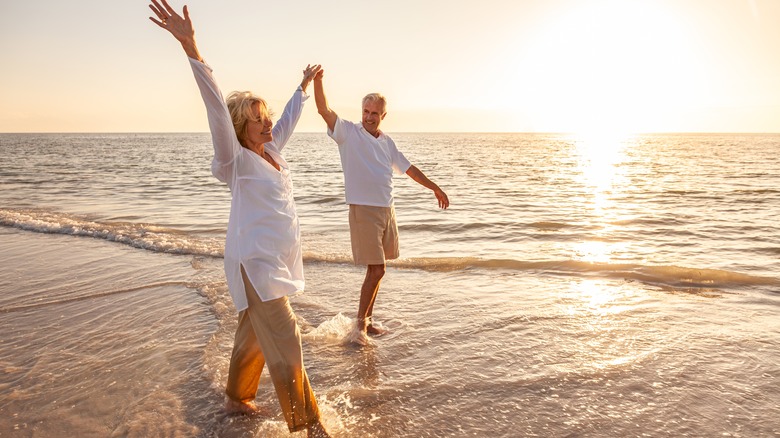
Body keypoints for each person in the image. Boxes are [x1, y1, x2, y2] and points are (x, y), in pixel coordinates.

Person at [148, 1, 329, 436]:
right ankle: (309, 426)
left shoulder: (271, 150)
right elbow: (214, 108)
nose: (268, 126)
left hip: (276, 263)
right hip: (257, 264)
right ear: (239, 130)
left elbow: (287, 118)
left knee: (253, 338)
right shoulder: (236, 162)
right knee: (287, 339)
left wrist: (303, 87)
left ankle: (236, 396)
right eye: (257, 121)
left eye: (266, 120)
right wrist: (192, 47)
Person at [312, 68, 450, 340]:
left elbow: (409, 169)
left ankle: (366, 320)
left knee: (379, 269)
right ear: (361, 111)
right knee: (377, 269)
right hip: (363, 209)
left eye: (375, 113)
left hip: (387, 210)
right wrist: (318, 81)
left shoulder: (387, 142)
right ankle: (360, 326)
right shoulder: (348, 133)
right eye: (366, 111)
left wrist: (434, 187)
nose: (369, 117)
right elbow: (323, 109)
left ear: (383, 116)